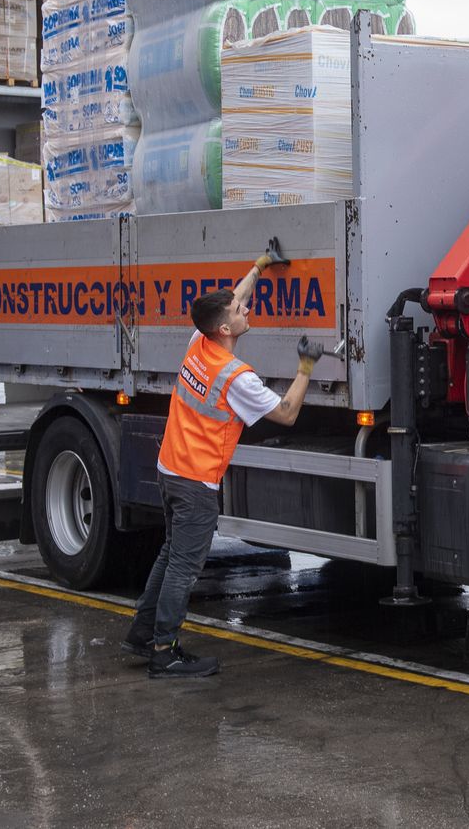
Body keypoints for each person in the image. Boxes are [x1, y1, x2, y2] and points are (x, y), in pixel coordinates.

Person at [121, 253, 318, 678]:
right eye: (239, 311)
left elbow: (231, 300)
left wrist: (260, 267)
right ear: (225, 329)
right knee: (184, 568)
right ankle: (164, 651)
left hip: (170, 469)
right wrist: (305, 368)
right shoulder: (235, 377)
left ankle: (142, 632)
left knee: (170, 555)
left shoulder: (199, 343)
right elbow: (286, 414)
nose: (246, 307)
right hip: (195, 483)